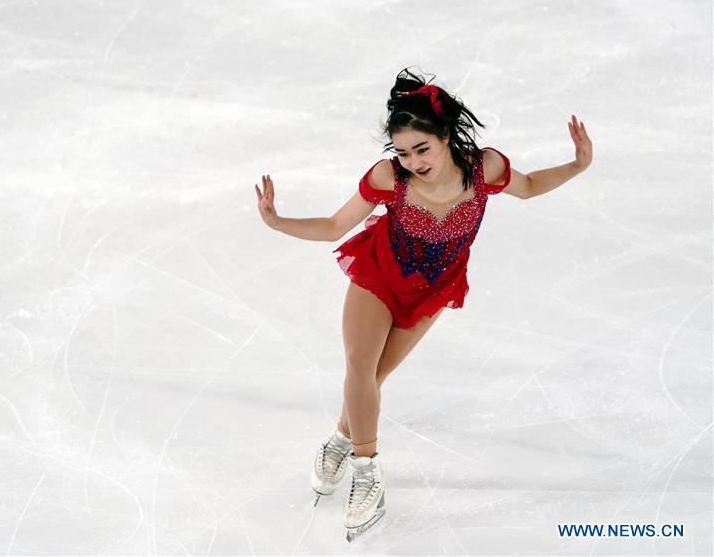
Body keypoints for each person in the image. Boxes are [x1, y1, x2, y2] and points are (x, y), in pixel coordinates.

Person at [254, 66, 593, 538]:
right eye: (403, 151)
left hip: (433, 290)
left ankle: (340, 436)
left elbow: (531, 186)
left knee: (374, 376)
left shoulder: (484, 169)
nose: (413, 160)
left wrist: (577, 165)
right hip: (378, 276)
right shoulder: (388, 178)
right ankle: (366, 471)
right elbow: (334, 227)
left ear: (447, 136)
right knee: (359, 366)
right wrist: (279, 222)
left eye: (422, 148)